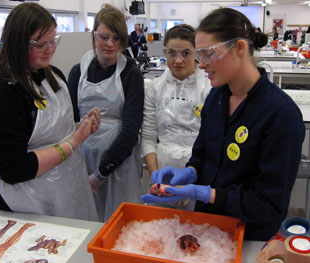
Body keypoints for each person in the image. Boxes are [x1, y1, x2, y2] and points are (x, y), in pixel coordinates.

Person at [142, 8, 305, 241]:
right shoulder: (217, 98)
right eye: (199, 54)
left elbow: (269, 202)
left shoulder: (280, 115)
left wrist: (205, 193)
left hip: (248, 236)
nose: (202, 64)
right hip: (206, 227)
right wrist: (190, 172)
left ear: (239, 48)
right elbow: (202, 154)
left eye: (208, 54)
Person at [0, 3, 101, 221]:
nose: (50, 50)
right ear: (18, 43)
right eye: (41, 44)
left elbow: (55, 130)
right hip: (23, 201)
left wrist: (81, 129)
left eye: (53, 41)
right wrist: (74, 142)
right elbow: (13, 169)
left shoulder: (52, 75)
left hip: (64, 187)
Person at [68, 4, 144, 222]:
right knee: (85, 220)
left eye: (117, 38)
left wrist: (101, 173)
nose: (110, 44)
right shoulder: (77, 72)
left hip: (118, 161)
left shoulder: (131, 74)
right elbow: (70, 121)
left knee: (118, 222)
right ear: (94, 36)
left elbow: (130, 131)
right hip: (82, 158)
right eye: (104, 37)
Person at [141, 24, 211, 185]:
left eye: (185, 53)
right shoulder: (156, 87)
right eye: (172, 53)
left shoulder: (209, 88)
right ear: (164, 52)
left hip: (200, 174)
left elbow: (213, 142)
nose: (178, 60)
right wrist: (157, 179)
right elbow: (148, 137)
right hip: (163, 168)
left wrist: (192, 184)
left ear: (196, 53)